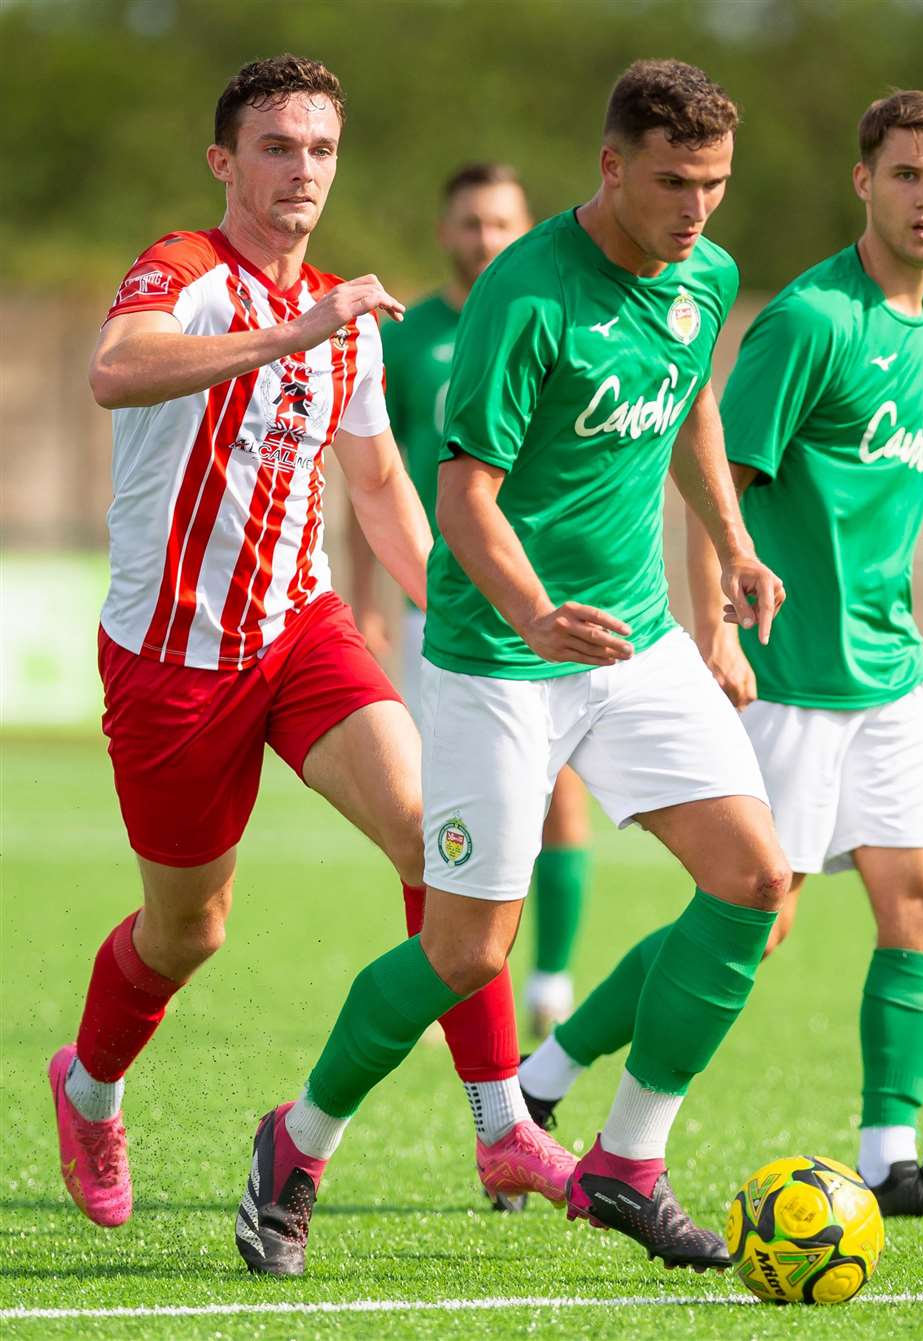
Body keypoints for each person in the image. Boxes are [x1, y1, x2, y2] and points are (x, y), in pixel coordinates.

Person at [237, 57, 791, 1279]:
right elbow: (464, 499)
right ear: (611, 167)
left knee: (755, 886)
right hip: (496, 655)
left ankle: (627, 1163)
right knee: (464, 953)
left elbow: (692, 403)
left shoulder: (705, 272)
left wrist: (734, 546)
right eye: (671, 182)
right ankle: (298, 1141)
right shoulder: (525, 296)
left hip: (635, 643)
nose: (697, 209)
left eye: (714, 183)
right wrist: (536, 614)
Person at [46, 53, 554, 1236]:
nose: (302, 171)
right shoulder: (187, 270)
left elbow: (378, 487)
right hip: (173, 658)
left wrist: (469, 616)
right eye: (277, 147)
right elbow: (115, 369)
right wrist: (293, 331)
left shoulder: (347, 321)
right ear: (225, 161)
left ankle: (500, 1128)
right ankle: (89, 1088)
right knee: (190, 931)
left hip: (301, 632)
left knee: (441, 844)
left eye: (321, 150)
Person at [519, 90, 923, 1223]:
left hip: (893, 670)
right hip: (788, 675)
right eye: (905, 175)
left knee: (922, 900)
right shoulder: (811, 322)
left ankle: (891, 1155)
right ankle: (543, 1085)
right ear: (864, 182)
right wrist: (714, 633)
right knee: (752, 914)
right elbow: (711, 484)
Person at [350, 163, 592, 1037]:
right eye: (470, 224)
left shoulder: (561, 314)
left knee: (561, 795)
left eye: (501, 224)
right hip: (440, 608)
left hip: (545, 598)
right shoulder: (411, 342)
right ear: (445, 231)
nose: (486, 239)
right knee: (451, 812)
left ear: (528, 228)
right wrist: (369, 597)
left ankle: (551, 981)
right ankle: (454, 971)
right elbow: (375, 476)